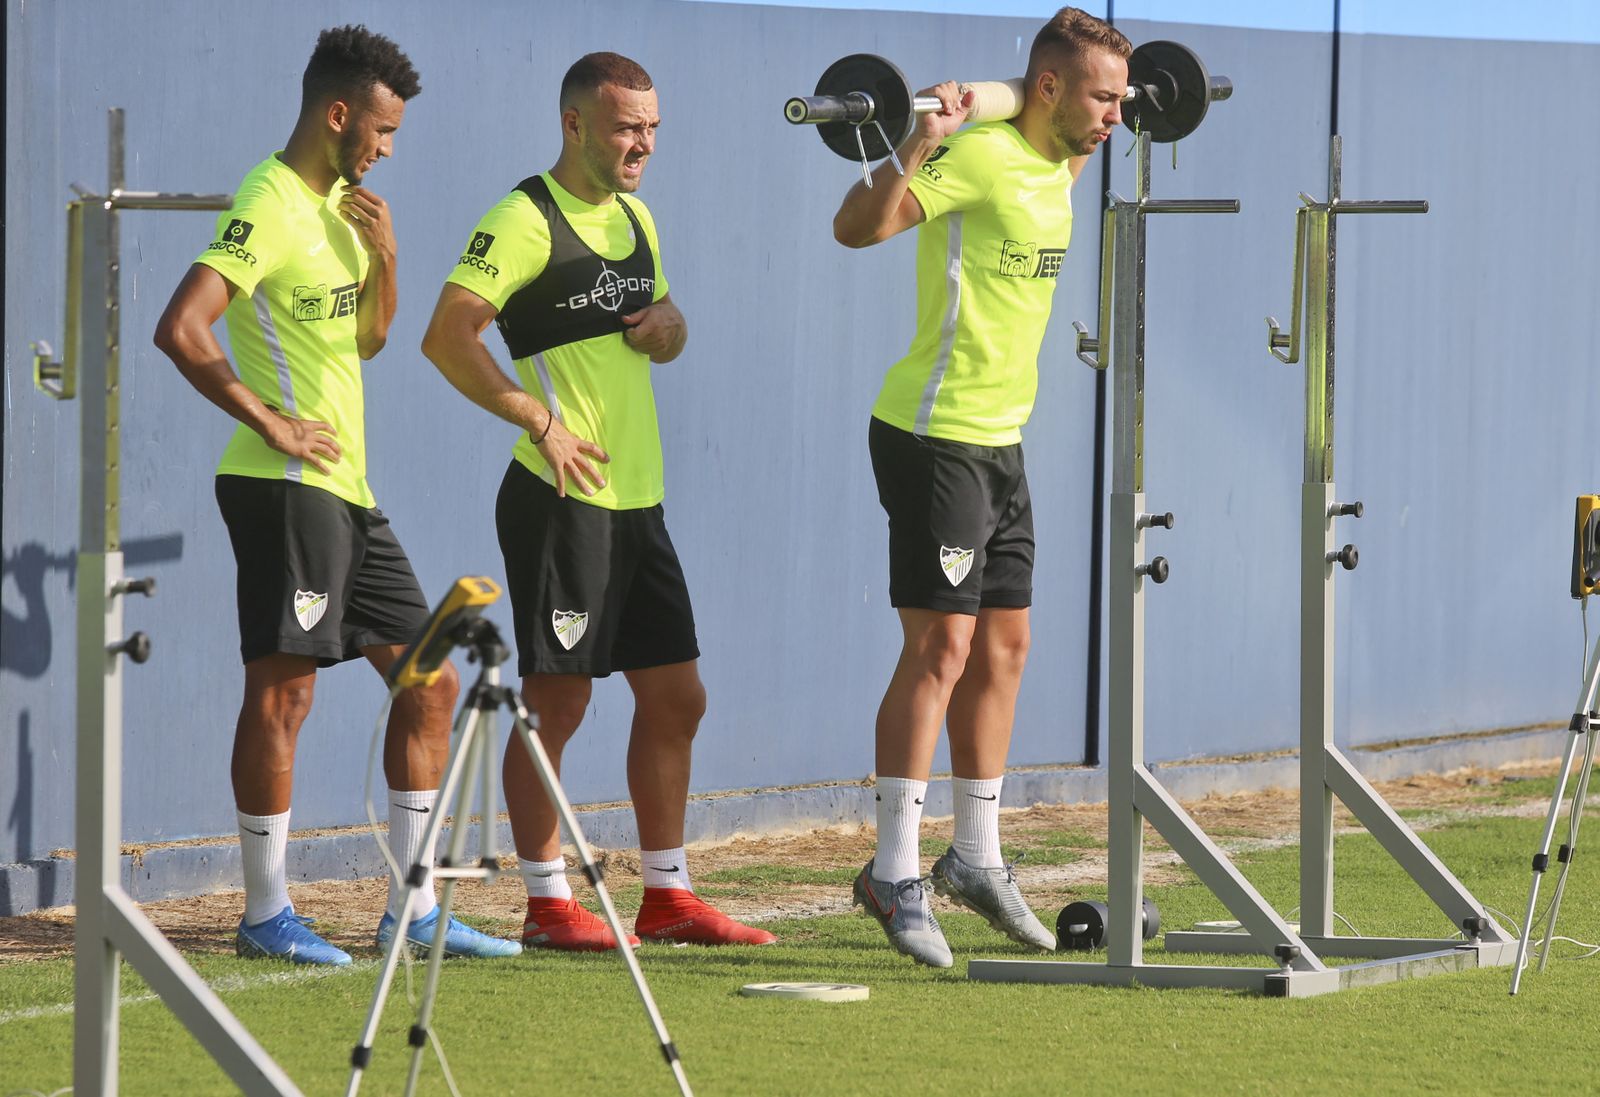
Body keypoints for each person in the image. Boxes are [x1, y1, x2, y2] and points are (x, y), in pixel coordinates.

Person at [154, 25, 519, 965]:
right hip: (284, 486)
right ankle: (266, 913)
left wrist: (388, 259)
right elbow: (184, 327)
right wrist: (267, 419)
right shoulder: (269, 202)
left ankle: (415, 908)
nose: (388, 148)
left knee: (431, 681)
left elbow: (368, 341)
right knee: (286, 695)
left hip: (347, 491)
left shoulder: (346, 210)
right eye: (383, 130)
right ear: (339, 112)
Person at [421, 52, 775, 951]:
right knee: (559, 704)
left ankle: (666, 895)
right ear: (575, 124)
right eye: (626, 127)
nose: (642, 144)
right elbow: (446, 334)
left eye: (652, 128)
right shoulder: (523, 217)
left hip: (638, 500)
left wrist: (672, 329)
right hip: (559, 498)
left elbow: (664, 326)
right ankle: (547, 905)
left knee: (678, 697)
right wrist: (537, 418)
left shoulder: (638, 215)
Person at [831, 7, 1132, 967]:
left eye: (1122, 99)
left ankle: (978, 856)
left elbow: (1062, 120)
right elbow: (855, 229)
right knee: (941, 647)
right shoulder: (984, 158)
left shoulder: (1065, 160)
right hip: (933, 434)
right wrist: (921, 138)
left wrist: (1057, 100)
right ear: (1049, 87)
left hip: (1002, 440)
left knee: (1006, 646)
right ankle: (892, 871)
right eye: (1103, 96)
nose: (1116, 117)